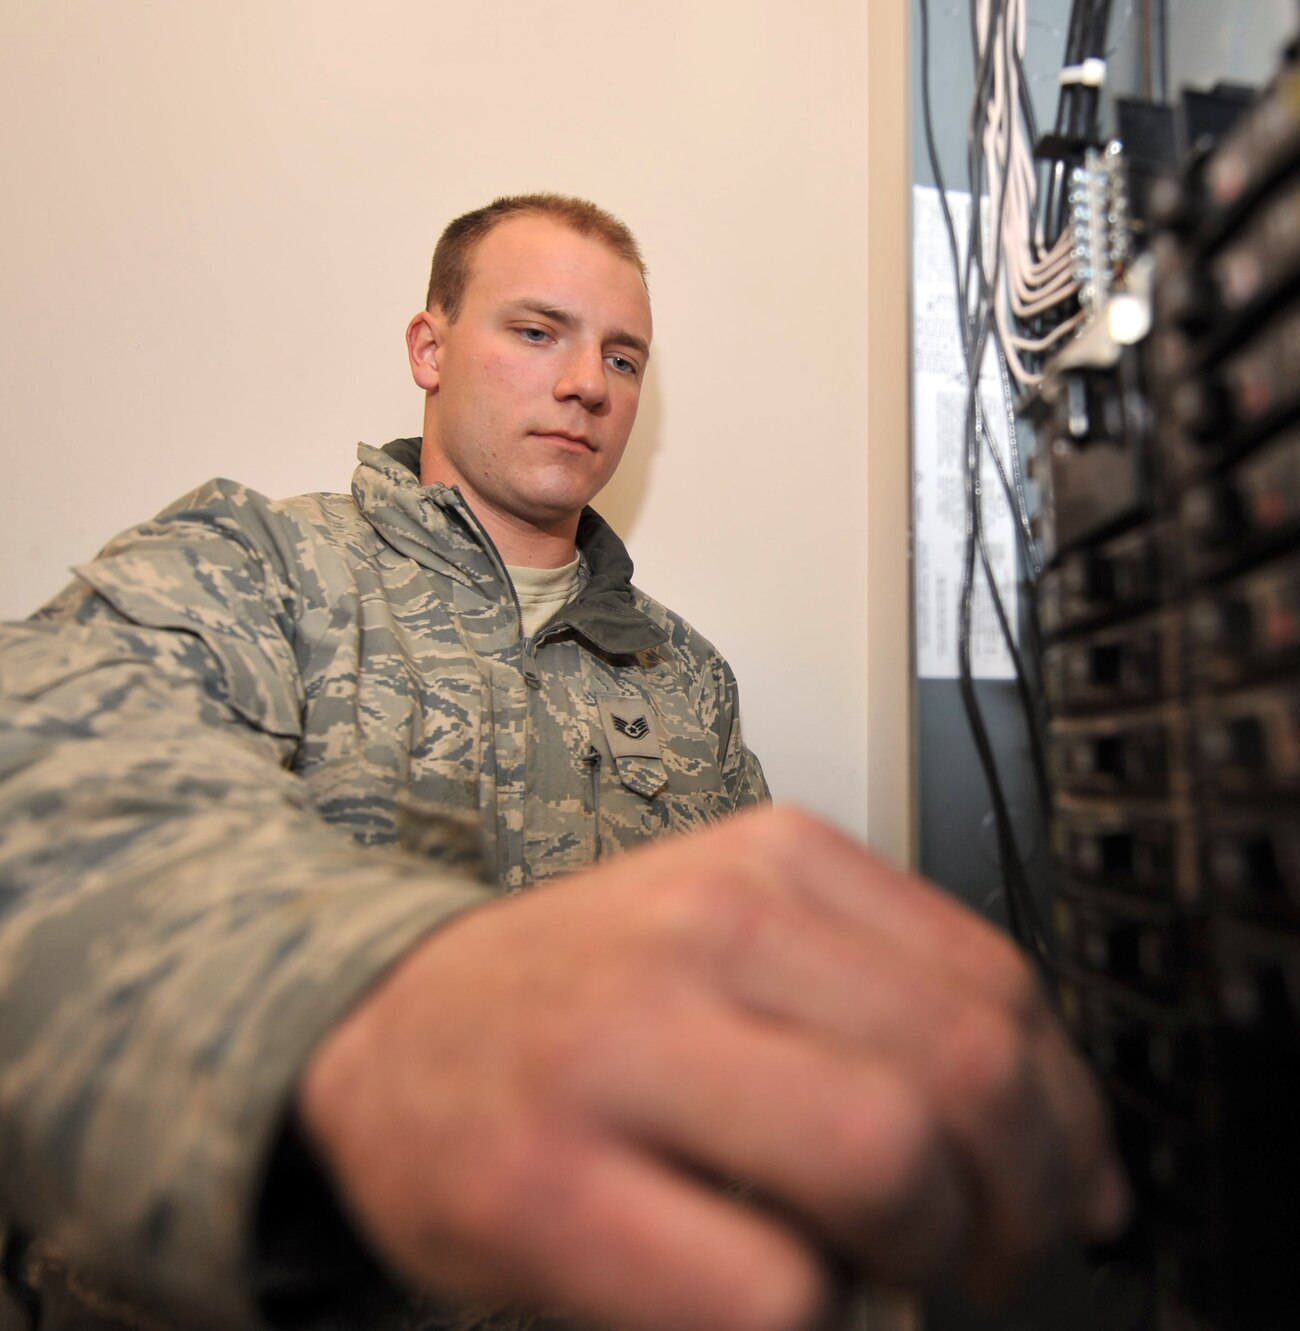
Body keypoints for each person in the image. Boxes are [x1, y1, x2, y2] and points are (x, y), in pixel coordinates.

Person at [0, 195, 1126, 1331]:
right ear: (428, 348)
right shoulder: (264, 569)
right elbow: (36, 767)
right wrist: (371, 1001)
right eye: (537, 332)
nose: (588, 381)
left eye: (622, 355)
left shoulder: (682, 673)